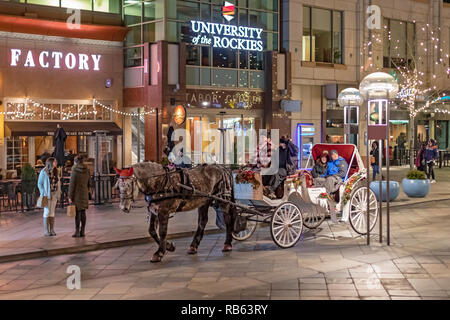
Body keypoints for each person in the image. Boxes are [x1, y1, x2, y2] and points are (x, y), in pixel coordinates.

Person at [37, 157, 61, 237]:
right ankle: (46, 231)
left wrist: (58, 192)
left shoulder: (56, 171)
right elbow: (39, 183)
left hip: (54, 193)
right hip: (47, 195)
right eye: (54, 162)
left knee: (52, 212)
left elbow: (57, 182)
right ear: (51, 163)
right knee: (46, 211)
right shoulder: (43, 172)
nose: (56, 163)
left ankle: (52, 229)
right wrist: (43, 193)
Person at [69, 155, 91, 237]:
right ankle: (83, 231)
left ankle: (77, 231)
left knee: (77, 213)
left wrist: (70, 196)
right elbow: (89, 182)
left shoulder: (75, 170)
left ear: (75, 162)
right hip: (84, 193)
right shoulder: (87, 170)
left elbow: (72, 184)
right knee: (83, 212)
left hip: (76, 194)